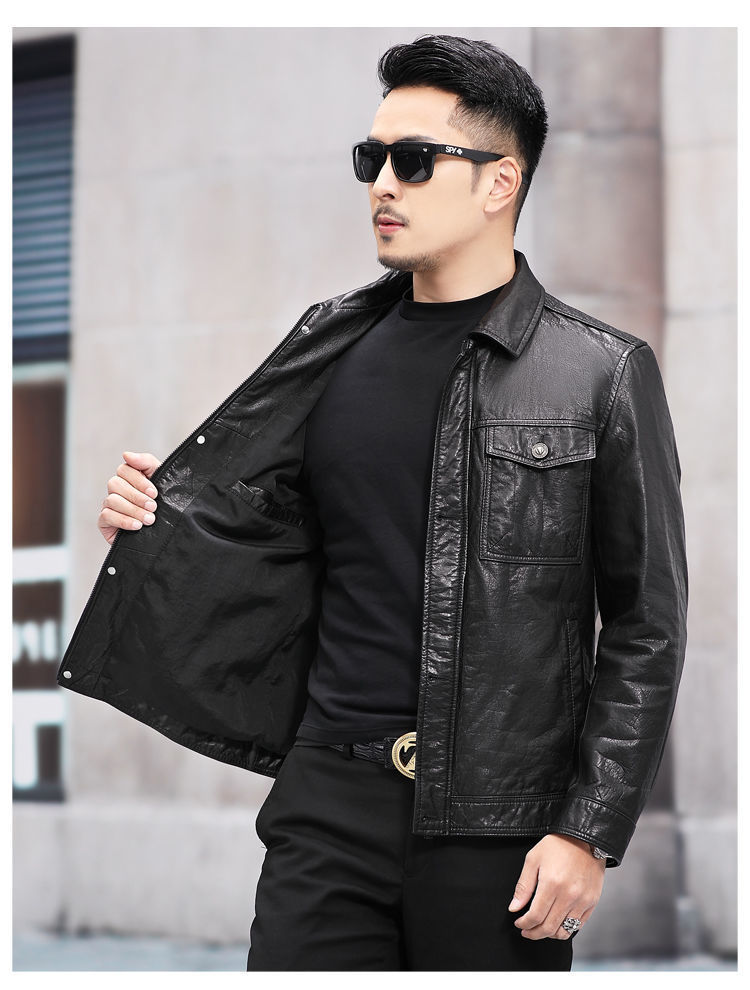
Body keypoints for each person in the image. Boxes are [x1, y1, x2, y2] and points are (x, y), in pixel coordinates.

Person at [59, 34, 688, 971]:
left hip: (498, 828)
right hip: (326, 805)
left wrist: (587, 830)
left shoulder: (600, 373)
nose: (383, 185)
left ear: (500, 182)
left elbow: (647, 624)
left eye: (415, 160)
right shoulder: (330, 346)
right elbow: (278, 551)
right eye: (373, 158)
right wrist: (156, 523)